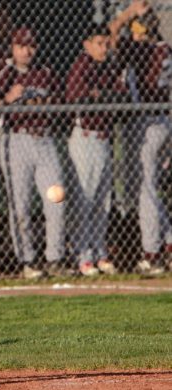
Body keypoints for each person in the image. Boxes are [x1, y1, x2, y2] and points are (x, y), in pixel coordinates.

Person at [0, 27, 67, 279]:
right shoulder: (4, 73)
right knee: (19, 205)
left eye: (31, 46)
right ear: (13, 47)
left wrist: (41, 105)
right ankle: (28, 260)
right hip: (16, 138)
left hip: (44, 138)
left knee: (57, 202)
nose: (27, 51)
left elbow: (60, 104)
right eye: (22, 46)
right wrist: (9, 98)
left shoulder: (45, 73)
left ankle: (55, 258)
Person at [110, 1, 172, 276]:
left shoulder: (143, 49)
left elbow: (110, 34)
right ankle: (167, 242)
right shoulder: (165, 49)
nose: (134, 35)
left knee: (145, 191)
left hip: (147, 123)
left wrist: (128, 14)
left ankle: (153, 253)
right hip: (161, 120)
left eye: (138, 31)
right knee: (146, 188)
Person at [66, 22, 126, 276]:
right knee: (86, 198)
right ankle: (83, 254)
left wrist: (100, 95)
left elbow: (120, 98)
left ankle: (100, 252)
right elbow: (78, 98)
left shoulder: (108, 67)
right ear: (87, 44)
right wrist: (102, 96)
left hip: (104, 138)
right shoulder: (82, 65)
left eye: (105, 42)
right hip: (85, 137)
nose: (104, 47)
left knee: (103, 200)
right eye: (98, 43)